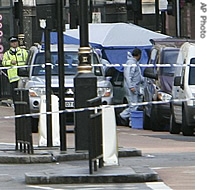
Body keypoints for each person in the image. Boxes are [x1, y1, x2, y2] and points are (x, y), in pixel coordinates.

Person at [118, 48, 144, 127]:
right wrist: (131, 86)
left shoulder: (134, 63)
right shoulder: (131, 63)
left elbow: (137, 75)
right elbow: (128, 75)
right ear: (139, 55)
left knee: (134, 104)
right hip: (132, 87)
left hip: (135, 86)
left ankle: (125, 115)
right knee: (134, 104)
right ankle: (129, 120)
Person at [2, 36, 28, 104]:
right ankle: (15, 105)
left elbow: (28, 61)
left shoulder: (23, 52)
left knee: (23, 92)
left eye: (15, 42)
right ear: (10, 43)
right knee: (14, 93)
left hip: (22, 76)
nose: (14, 43)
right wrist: (10, 62)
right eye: (12, 42)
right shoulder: (7, 54)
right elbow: (3, 63)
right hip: (13, 77)